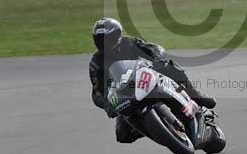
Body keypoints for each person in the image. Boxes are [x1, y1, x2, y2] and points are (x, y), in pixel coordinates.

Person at [88, 17, 216, 143]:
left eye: (106, 39)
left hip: (145, 78)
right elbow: (97, 91)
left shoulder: (129, 42)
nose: (104, 43)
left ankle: (194, 93)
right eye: (99, 40)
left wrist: (157, 59)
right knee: (122, 135)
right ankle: (153, 126)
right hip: (126, 95)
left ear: (117, 35)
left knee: (168, 66)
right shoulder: (96, 62)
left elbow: (153, 48)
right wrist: (107, 105)